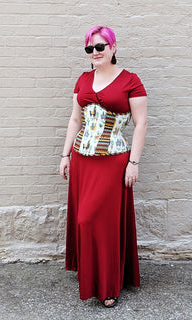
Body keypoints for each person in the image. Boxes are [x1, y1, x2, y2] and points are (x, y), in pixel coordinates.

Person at [59, 25, 147, 308]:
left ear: (113, 48)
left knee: (101, 222)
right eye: (89, 49)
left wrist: (134, 162)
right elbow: (75, 120)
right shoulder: (83, 79)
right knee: (86, 221)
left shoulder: (131, 81)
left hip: (113, 161)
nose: (95, 53)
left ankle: (108, 286)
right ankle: (93, 273)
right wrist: (65, 155)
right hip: (83, 160)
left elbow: (141, 123)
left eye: (100, 47)